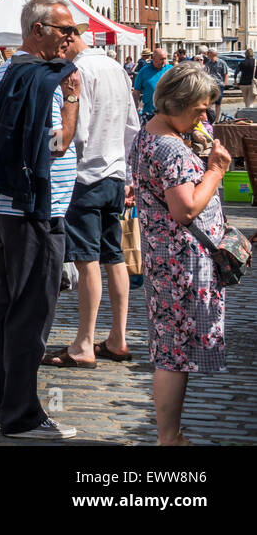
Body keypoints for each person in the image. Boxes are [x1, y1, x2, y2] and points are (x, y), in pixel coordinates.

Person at [0, 0, 82, 440]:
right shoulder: (48, 80)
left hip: (7, 208)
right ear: (38, 30)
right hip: (35, 210)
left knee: (11, 310)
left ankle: (6, 407)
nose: (73, 38)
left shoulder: (4, 74)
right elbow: (55, 146)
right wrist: (71, 101)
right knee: (32, 312)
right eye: (65, 30)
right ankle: (23, 416)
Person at [129, 63, 232, 445]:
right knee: (173, 355)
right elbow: (185, 209)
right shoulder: (170, 146)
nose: (205, 116)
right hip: (180, 264)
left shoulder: (152, 134)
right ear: (176, 102)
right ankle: (169, 438)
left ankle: (170, 435)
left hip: (167, 258)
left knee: (171, 349)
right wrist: (216, 171)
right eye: (200, 108)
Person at [43, 33, 140, 369]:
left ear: (69, 41)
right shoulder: (117, 68)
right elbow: (132, 127)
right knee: (114, 256)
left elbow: (75, 135)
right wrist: (127, 174)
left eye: (57, 44)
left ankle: (84, 342)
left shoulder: (76, 72)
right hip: (114, 173)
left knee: (87, 261)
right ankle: (118, 337)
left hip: (85, 175)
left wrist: (51, 144)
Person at [133, 48, 171, 120]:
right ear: (153, 58)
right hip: (149, 113)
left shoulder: (171, 70)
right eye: (161, 59)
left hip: (167, 114)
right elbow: (136, 92)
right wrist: (135, 110)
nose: (164, 61)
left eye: (165, 59)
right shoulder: (144, 71)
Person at [202, 49, 227, 119]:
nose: (207, 54)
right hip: (210, 85)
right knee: (210, 102)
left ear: (213, 54)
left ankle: (217, 119)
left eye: (209, 53)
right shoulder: (208, 63)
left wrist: (224, 83)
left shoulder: (221, 63)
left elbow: (226, 73)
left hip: (219, 85)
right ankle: (211, 118)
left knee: (218, 103)